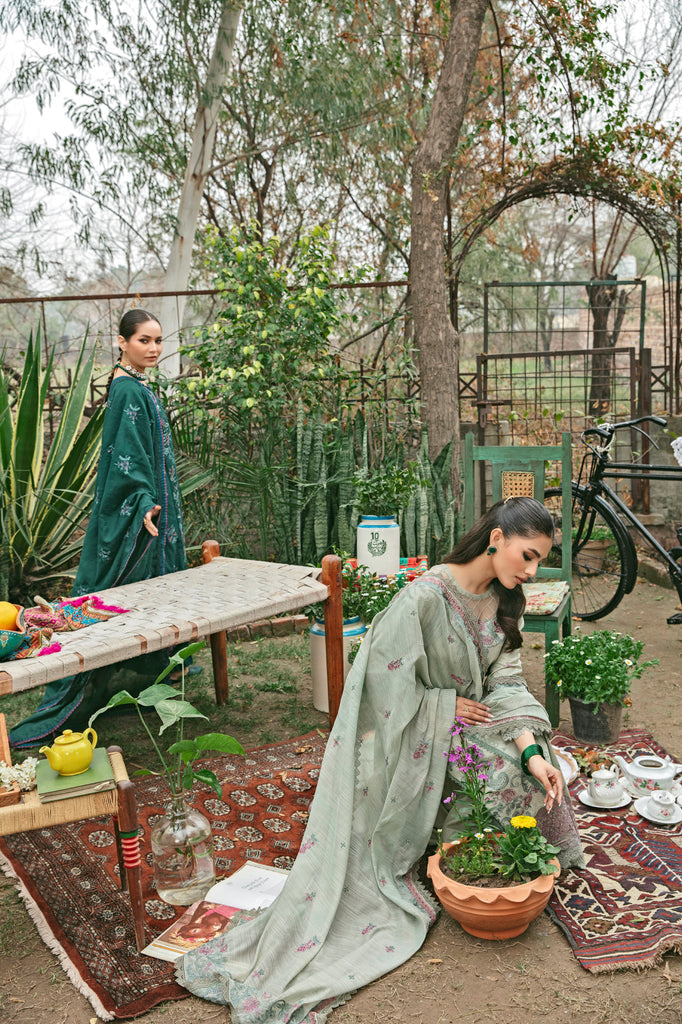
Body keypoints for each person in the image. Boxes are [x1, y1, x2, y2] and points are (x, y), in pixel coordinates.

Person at [176, 496, 585, 1021]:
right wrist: (441, 706)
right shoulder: (424, 597)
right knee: (497, 768)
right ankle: (454, 853)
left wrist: (529, 750)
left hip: (478, 722)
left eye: (539, 561)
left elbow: (506, 682)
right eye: (527, 556)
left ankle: (482, 852)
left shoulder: (506, 600)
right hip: (416, 735)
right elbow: (379, 685)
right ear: (497, 539)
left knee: (534, 761)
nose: (531, 571)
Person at [10, 310, 188, 748]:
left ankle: (144, 676)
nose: (154, 348)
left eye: (158, 340)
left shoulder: (135, 386)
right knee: (117, 597)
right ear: (122, 342)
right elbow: (128, 457)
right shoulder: (127, 390)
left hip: (155, 509)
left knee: (148, 596)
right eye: (144, 340)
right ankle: (96, 686)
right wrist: (143, 503)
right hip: (144, 512)